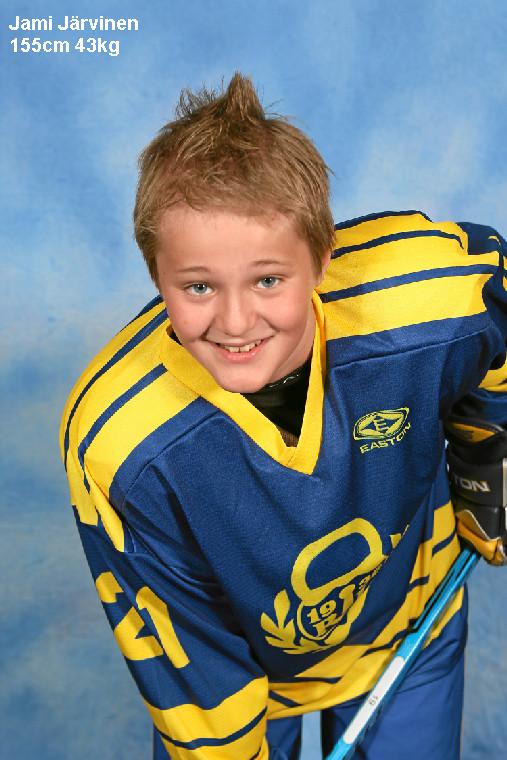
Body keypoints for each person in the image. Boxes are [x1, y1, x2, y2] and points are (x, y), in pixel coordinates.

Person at [60, 73, 507, 759]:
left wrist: (484, 456)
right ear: (156, 275)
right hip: (245, 671)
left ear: (322, 258)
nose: (236, 321)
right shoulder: (120, 445)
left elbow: (493, 322)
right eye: (198, 286)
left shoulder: (430, 300)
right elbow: (194, 674)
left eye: (268, 279)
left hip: (412, 616)